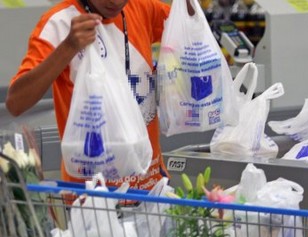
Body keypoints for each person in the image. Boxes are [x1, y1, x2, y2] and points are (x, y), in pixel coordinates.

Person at [6, 0, 193, 190]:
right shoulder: (59, 23)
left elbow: (191, 25)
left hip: (151, 187)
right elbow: (16, 102)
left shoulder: (143, 8)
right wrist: (68, 47)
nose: (115, 1)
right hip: (92, 199)